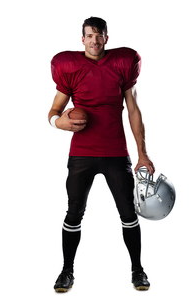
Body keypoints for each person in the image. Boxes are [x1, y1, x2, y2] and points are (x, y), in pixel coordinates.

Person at [48, 16, 155, 292]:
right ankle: (66, 271)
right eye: (89, 36)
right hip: (81, 152)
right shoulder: (69, 67)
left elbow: (133, 110)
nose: (94, 40)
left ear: (107, 38)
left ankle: (138, 270)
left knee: (128, 213)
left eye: (99, 35)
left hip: (116, 152)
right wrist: (57, 122)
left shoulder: (123, 64)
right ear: (82, 39)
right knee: (74, 213)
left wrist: (142, 154)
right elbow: (54, 111)